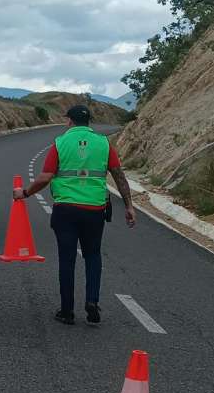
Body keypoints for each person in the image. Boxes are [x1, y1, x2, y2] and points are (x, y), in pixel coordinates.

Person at [13, 105, 136, 326]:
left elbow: (45, 177)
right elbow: (119, 176)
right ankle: (92, 301)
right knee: (93, 255)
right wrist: (129, 206)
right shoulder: (104, 144)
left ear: (69, 121)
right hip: (95, 210)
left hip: (66, 210)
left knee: (67, 259)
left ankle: (67, 311)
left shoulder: (59, 143)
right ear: (89, 122)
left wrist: (24, 193)